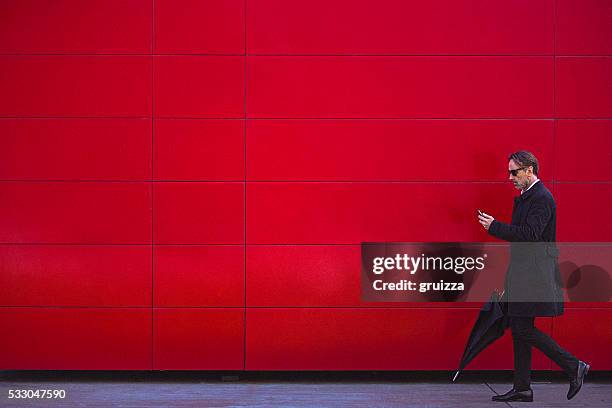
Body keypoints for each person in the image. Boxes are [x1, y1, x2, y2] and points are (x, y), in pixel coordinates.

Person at [477, 151, 589, 402]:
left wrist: (494, 226)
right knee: (520, 329)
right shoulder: (529, 197)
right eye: (509, 172)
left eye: (514, 172)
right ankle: (523, 388)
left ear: (529, 170)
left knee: (521, 329)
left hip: (533, 276)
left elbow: (529, 235)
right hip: (524, 274)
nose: (510, 177)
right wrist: (509, 283)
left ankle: (574, 366)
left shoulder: (541, 198)